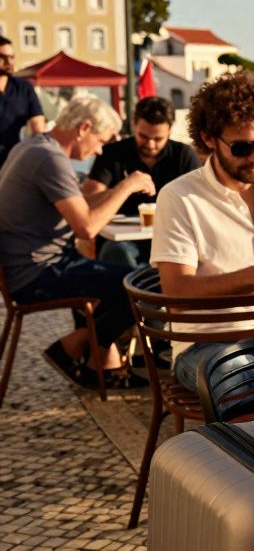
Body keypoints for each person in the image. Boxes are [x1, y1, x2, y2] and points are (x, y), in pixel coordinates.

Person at [150, 71, 254, 393]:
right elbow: (176, 293)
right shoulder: (179, 197)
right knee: (250, 383)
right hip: (207, 345)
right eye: (242, 147)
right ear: (209, 138)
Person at [0, 95, 154, 389]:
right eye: (101, 140)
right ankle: (72, 347)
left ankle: (95, 364)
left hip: (31, 266)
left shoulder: (33, 146)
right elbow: (87, 228)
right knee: (143, 285)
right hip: (38, 273)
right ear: (84, 128)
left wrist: (116, 192)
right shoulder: (50, 159)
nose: (100, 150)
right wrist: (127, 185)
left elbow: (78, 204)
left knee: (130, 280)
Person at [82, 95, 202, 267]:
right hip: (121, 241)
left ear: (170, 130)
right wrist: (125, 187)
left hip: (170, 237)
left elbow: (200, 203)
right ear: (134, 124)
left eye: (158, 139)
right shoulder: (112, 153)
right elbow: (87, 203)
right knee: (117, 252)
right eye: (143, 137)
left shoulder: (183, 155)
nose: (150, 144)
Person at [0, 34, 47, 170]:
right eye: (3, 57)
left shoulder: (24, 88)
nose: (9, 62)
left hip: (14, 159)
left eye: (12, 57)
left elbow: (38, 127)